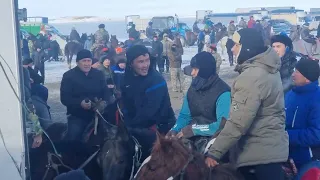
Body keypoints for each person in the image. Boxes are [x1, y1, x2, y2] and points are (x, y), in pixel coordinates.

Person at [205, 28, 289, 180]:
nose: (232, 49)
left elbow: (238, 122)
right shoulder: (267, 68)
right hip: (272, 150)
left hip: (258, 155)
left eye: (236, 45)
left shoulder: (252, 77)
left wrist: (214, 153)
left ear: (246, 47)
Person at [166, 52, 230, 151]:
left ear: (205, 70)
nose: (192, 73)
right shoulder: (193, 88)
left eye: (195, 69)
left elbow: (221, 125)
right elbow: (185, 115)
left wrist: (194, 130)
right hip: (191, 135)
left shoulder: (223, 92)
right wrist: (175, 129)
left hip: (214, 138)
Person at [121, 45, 176, 160]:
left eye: (147, 60)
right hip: (136, 125)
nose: (145, 65)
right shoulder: (126, 79)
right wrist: (125, 123)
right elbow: (125, 105)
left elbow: (149, 112)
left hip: (160, 127)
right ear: (131, 63)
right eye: (140, 62)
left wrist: (130, 127)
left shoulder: (156, 80)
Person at [60, 49, 112, 141]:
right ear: (77, 62)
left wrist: (104, 102)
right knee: (73, 137)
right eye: (84, 61)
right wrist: (80, 103)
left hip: (99, 114)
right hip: (78, 115)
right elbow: (64, 98)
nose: (87, 63)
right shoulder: (69, 76)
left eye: (89, 61)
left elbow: (106, 91)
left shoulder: (98, 74)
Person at [285, 59, 320, 169]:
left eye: (297, 71)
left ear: (307, 77)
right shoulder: (290, 93)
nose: (293, 74)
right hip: (284, 155)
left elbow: (316, 134)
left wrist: (285, 135)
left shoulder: (317, 98)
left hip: (306, 160)